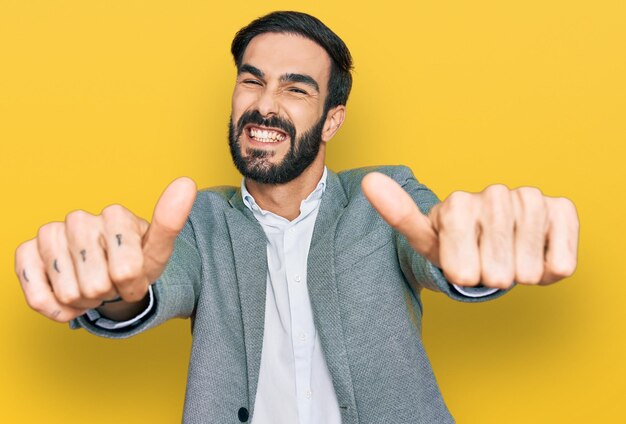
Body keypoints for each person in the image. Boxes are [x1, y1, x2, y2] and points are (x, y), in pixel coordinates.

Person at [14, 11, 579, 424]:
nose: (265, 104)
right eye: (252, 80)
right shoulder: (200, 220)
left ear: (332, 121)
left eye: (296, 88)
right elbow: (157, 275)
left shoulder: (384, 196)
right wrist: (113, 289)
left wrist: (475, 253)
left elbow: (431, 244)